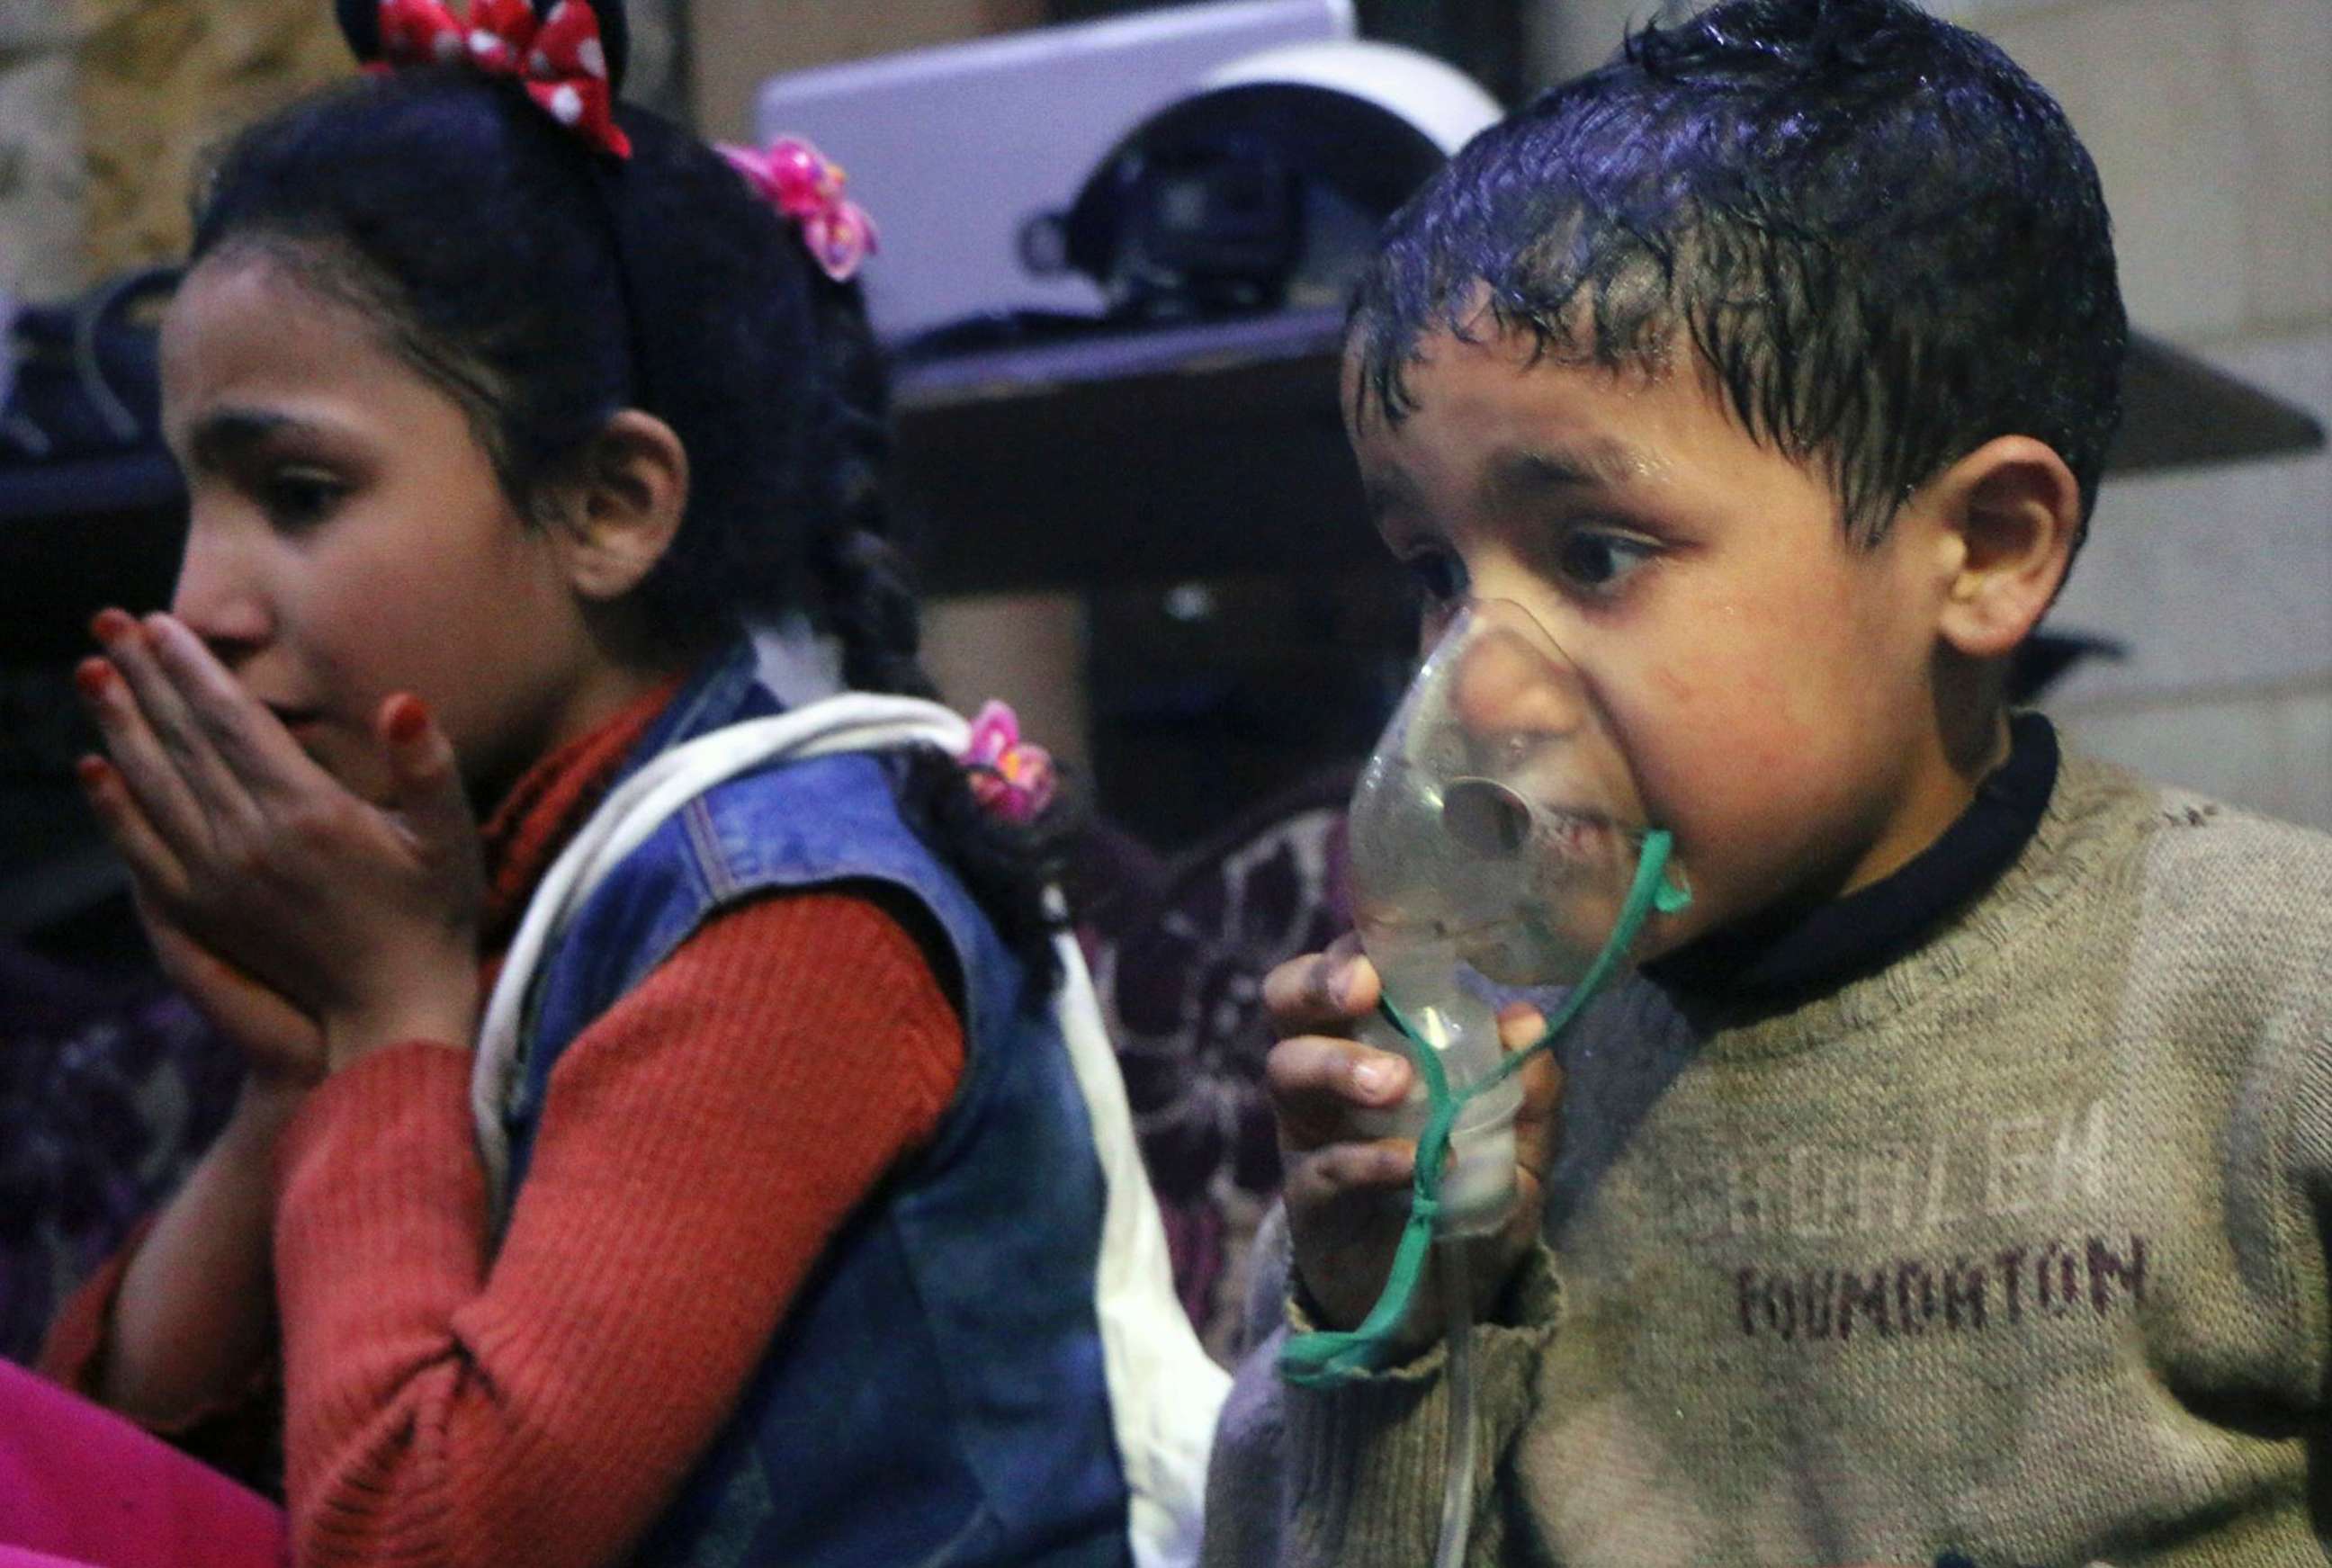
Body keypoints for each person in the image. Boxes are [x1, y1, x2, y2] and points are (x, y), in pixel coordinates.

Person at [23, 2, 1224, 1564]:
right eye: (194, 503)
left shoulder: (793, 916)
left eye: (299, 493)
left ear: (607, 505)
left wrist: (390, 1019)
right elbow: (94, 1482)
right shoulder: (488, 882)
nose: (202, 605)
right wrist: (296, 1080)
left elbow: (422, 1541)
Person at [1202, 1, 2332, 1564]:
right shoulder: (1462, 1074)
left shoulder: (2275, 1013)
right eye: (1433, 573)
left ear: (1987, 551)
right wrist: (1382, 1310)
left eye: (1596, 552)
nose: (1480, 685)